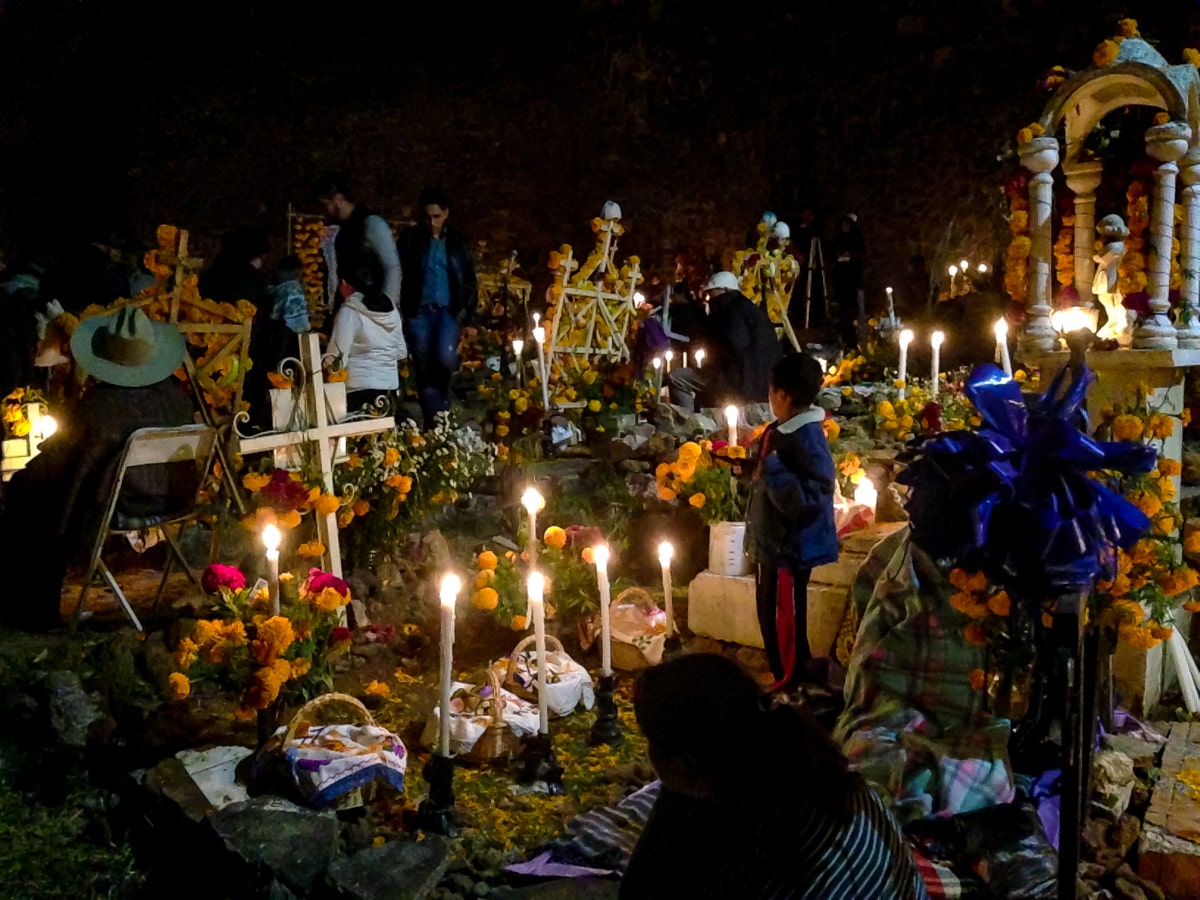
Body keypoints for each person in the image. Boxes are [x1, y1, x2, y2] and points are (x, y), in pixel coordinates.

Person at [622, 654, 929, 899]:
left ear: (687, 764)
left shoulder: (772, 854)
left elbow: (642, 885)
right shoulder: (799, 773)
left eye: (650, 741)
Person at [0, 306, 197, 631]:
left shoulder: (99, 408)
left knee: (32, 494)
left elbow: (67, 464)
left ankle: (31, 607)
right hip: (170, 500)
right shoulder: (177, 401)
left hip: (118, 505)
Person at [746, 353, 839, 690]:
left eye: (771, 391)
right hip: (772, 543)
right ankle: (786, 677)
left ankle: (792, 682)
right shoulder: (782, 430)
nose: (769, 397)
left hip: (789, 548)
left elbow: (813, 496)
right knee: (770, 615)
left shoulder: (807, 437)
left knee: (784, 619)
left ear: (783, 395)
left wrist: (773, 473)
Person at [396, 187, 477, 427]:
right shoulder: (410, 239)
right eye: (427, 217)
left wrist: (470, 317)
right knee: (423, 367)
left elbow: (468, 279)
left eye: (436, 216)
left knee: (444, 358)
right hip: (418, 311)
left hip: (447, 311)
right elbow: (399, 272)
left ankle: (442, 408)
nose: (432, 222)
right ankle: (435, 419)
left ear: (446, 214)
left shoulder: (457, 243)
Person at [666, 271, 781, 411]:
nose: (708, 298)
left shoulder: (732, 311)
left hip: (739, 382)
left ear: (724, 290)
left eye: (711, 293)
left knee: (677, 377)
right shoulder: (751, 310)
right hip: (762, 384)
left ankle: (685, 420)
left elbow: (733, 346)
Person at [324, 259, 406, 413]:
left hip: (359, 391)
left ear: (344, 283)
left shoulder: (350, 312)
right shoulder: (391, 309)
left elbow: (336, 359)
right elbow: (401, 351)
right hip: (390, 392)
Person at [314, 172, 402, 312]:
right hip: (356, 308)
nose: (324, 212)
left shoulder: (372, 225)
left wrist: (386, 309)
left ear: (339, 200)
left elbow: (391, 268)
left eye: (326, 205)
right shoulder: (344, 232)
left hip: (370, 308)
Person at [832, 214, 866, 349]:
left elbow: (862, 254)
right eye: (843, 225)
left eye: (847, 225)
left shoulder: (857, 240)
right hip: (841, 281)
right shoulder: (838, 239)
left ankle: (855, 338)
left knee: (852, 310)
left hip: (853, 281)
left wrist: (851, 256)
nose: (845, 227)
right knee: (843, 311)